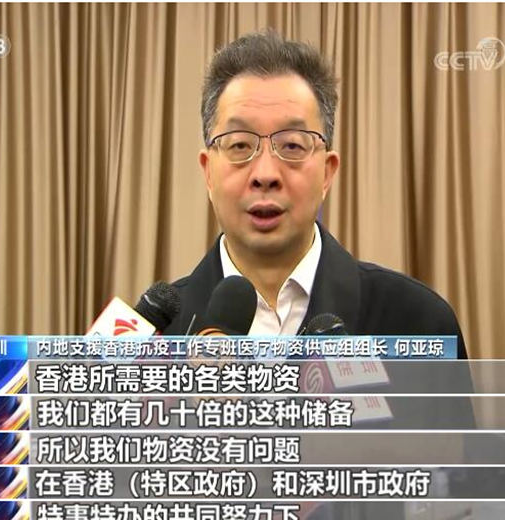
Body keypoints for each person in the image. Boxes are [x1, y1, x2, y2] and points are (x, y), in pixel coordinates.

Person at [162, 30, 468, 358]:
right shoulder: (154, 337)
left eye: (292, 146)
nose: (265, 175)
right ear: (208, 172)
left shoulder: (418, 323)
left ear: (327, 172)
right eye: (240, 145)